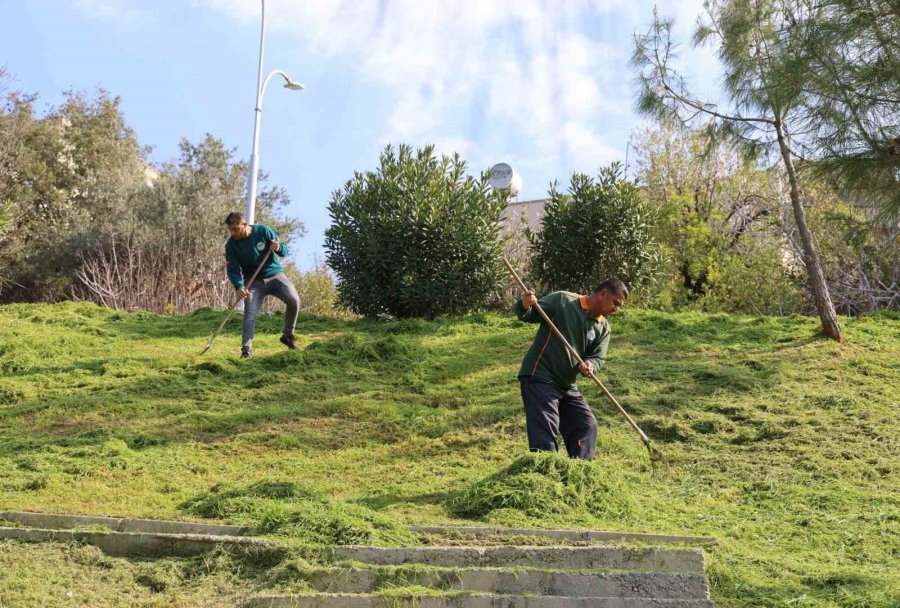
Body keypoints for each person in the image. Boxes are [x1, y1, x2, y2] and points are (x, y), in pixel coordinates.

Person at [513, 279, 628, 460]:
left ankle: (580, 472)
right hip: (539, 375)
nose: (617, 309)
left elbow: (597, 357)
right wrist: (525, 305)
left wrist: (590, 365)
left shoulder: (603, 328)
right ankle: (545, 477)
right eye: (616, 303)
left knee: (586, 425)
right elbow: (529, 314)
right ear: (603, 293)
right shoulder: (563, 301)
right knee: (546, 432)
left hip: (567, 384)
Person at [224, 211, 300, 358]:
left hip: (275, 276)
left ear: (244, 225)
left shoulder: (263, 231)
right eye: (230, 230)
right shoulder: (231, 245)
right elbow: (232, 269)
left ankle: (288, 336)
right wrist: (239, 286)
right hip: (253, 282)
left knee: (294, 300)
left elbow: (284, 250)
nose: (232, 233)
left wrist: (278, 247)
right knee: (250, 315)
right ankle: (246, 350)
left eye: (235, 229)